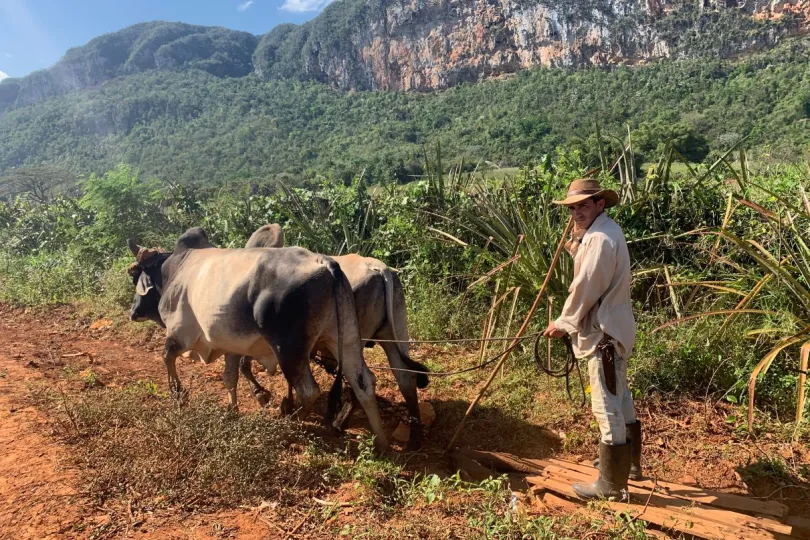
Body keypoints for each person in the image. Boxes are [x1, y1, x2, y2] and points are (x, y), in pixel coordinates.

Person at [543, 178, 641, 501]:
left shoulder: (599, 240)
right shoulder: (603, 233)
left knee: (606, 405)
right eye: (572, 208)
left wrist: (563, 322)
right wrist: (577, 237)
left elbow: (585, 288)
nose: (576, 212)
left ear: (601, 204)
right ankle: (629, 466)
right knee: (621, 397)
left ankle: (612, 486)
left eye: (583, 206)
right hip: (614, 330)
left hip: (603, 336)